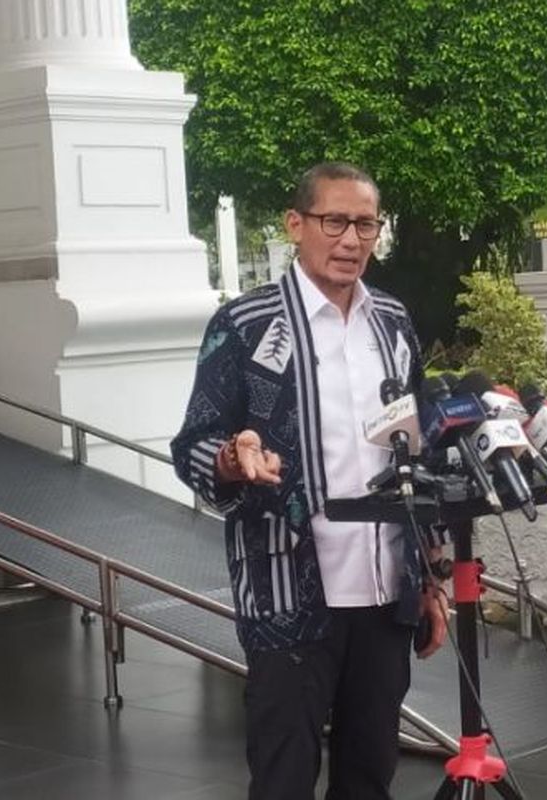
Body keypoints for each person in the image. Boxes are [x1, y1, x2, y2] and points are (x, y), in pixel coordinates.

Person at [170, 162, 448, 800]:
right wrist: (232, 457)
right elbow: (191, 444)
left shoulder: (393, 325)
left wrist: (429, 577)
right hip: (286, 593)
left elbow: (413, 455)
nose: (351, 240)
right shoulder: (245, 326)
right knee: (284, 775)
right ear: (296, 225)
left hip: (384, 593)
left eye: (366, 225)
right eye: (335, 222)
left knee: (370, 773)